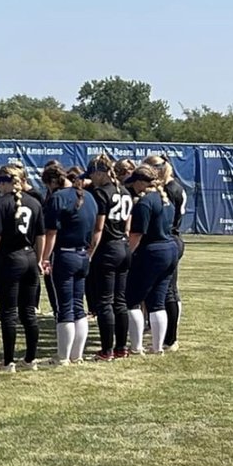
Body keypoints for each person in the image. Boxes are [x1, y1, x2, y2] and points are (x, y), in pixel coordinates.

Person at [0, 165, 44, 372]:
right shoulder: (34, 202)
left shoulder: (1, 204)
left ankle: (8, 361)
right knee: (28, 311)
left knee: (8, 312)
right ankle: (30, 358)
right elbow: (41, 235)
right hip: (30, 257)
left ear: (3, 183)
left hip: (10, 258)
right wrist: (40, 259)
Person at [40, 163, 99, 365]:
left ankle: (63, 356)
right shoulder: (89, 197)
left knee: (64, 307)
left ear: (53, 182)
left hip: (65, 255)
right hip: (83, 254)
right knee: (78, 306)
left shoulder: (58, 198)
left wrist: (45, 257)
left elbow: (51, 233)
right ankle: (77, 355)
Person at [124, 164, 178, 356]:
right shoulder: (165, 200)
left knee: (132, 300)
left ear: (140, 182)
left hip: (152, 252)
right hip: (169, 248)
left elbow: (137, 234)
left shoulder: (145, 202)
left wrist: (128, 254)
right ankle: (157, 347)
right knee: (157, 302)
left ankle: (137, 347)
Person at [86, 154, 133, 361]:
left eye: (93, 175)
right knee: (120, 301)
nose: (91, 179)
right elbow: (128, 225)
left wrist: (90, 252)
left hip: (107, 248)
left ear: (99, 172)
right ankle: (121, 347)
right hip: (123, 245)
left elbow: (98, 227)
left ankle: (107, 350)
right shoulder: (124, 191)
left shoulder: (100, 193)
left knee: (105, 302)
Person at [144, 154, 187, 351]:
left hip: (168, 238)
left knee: (169, 291)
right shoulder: (174, 186)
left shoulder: (169, 189)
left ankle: (171, 337)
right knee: (167, 290)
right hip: (171, 239)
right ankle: (165, 333)